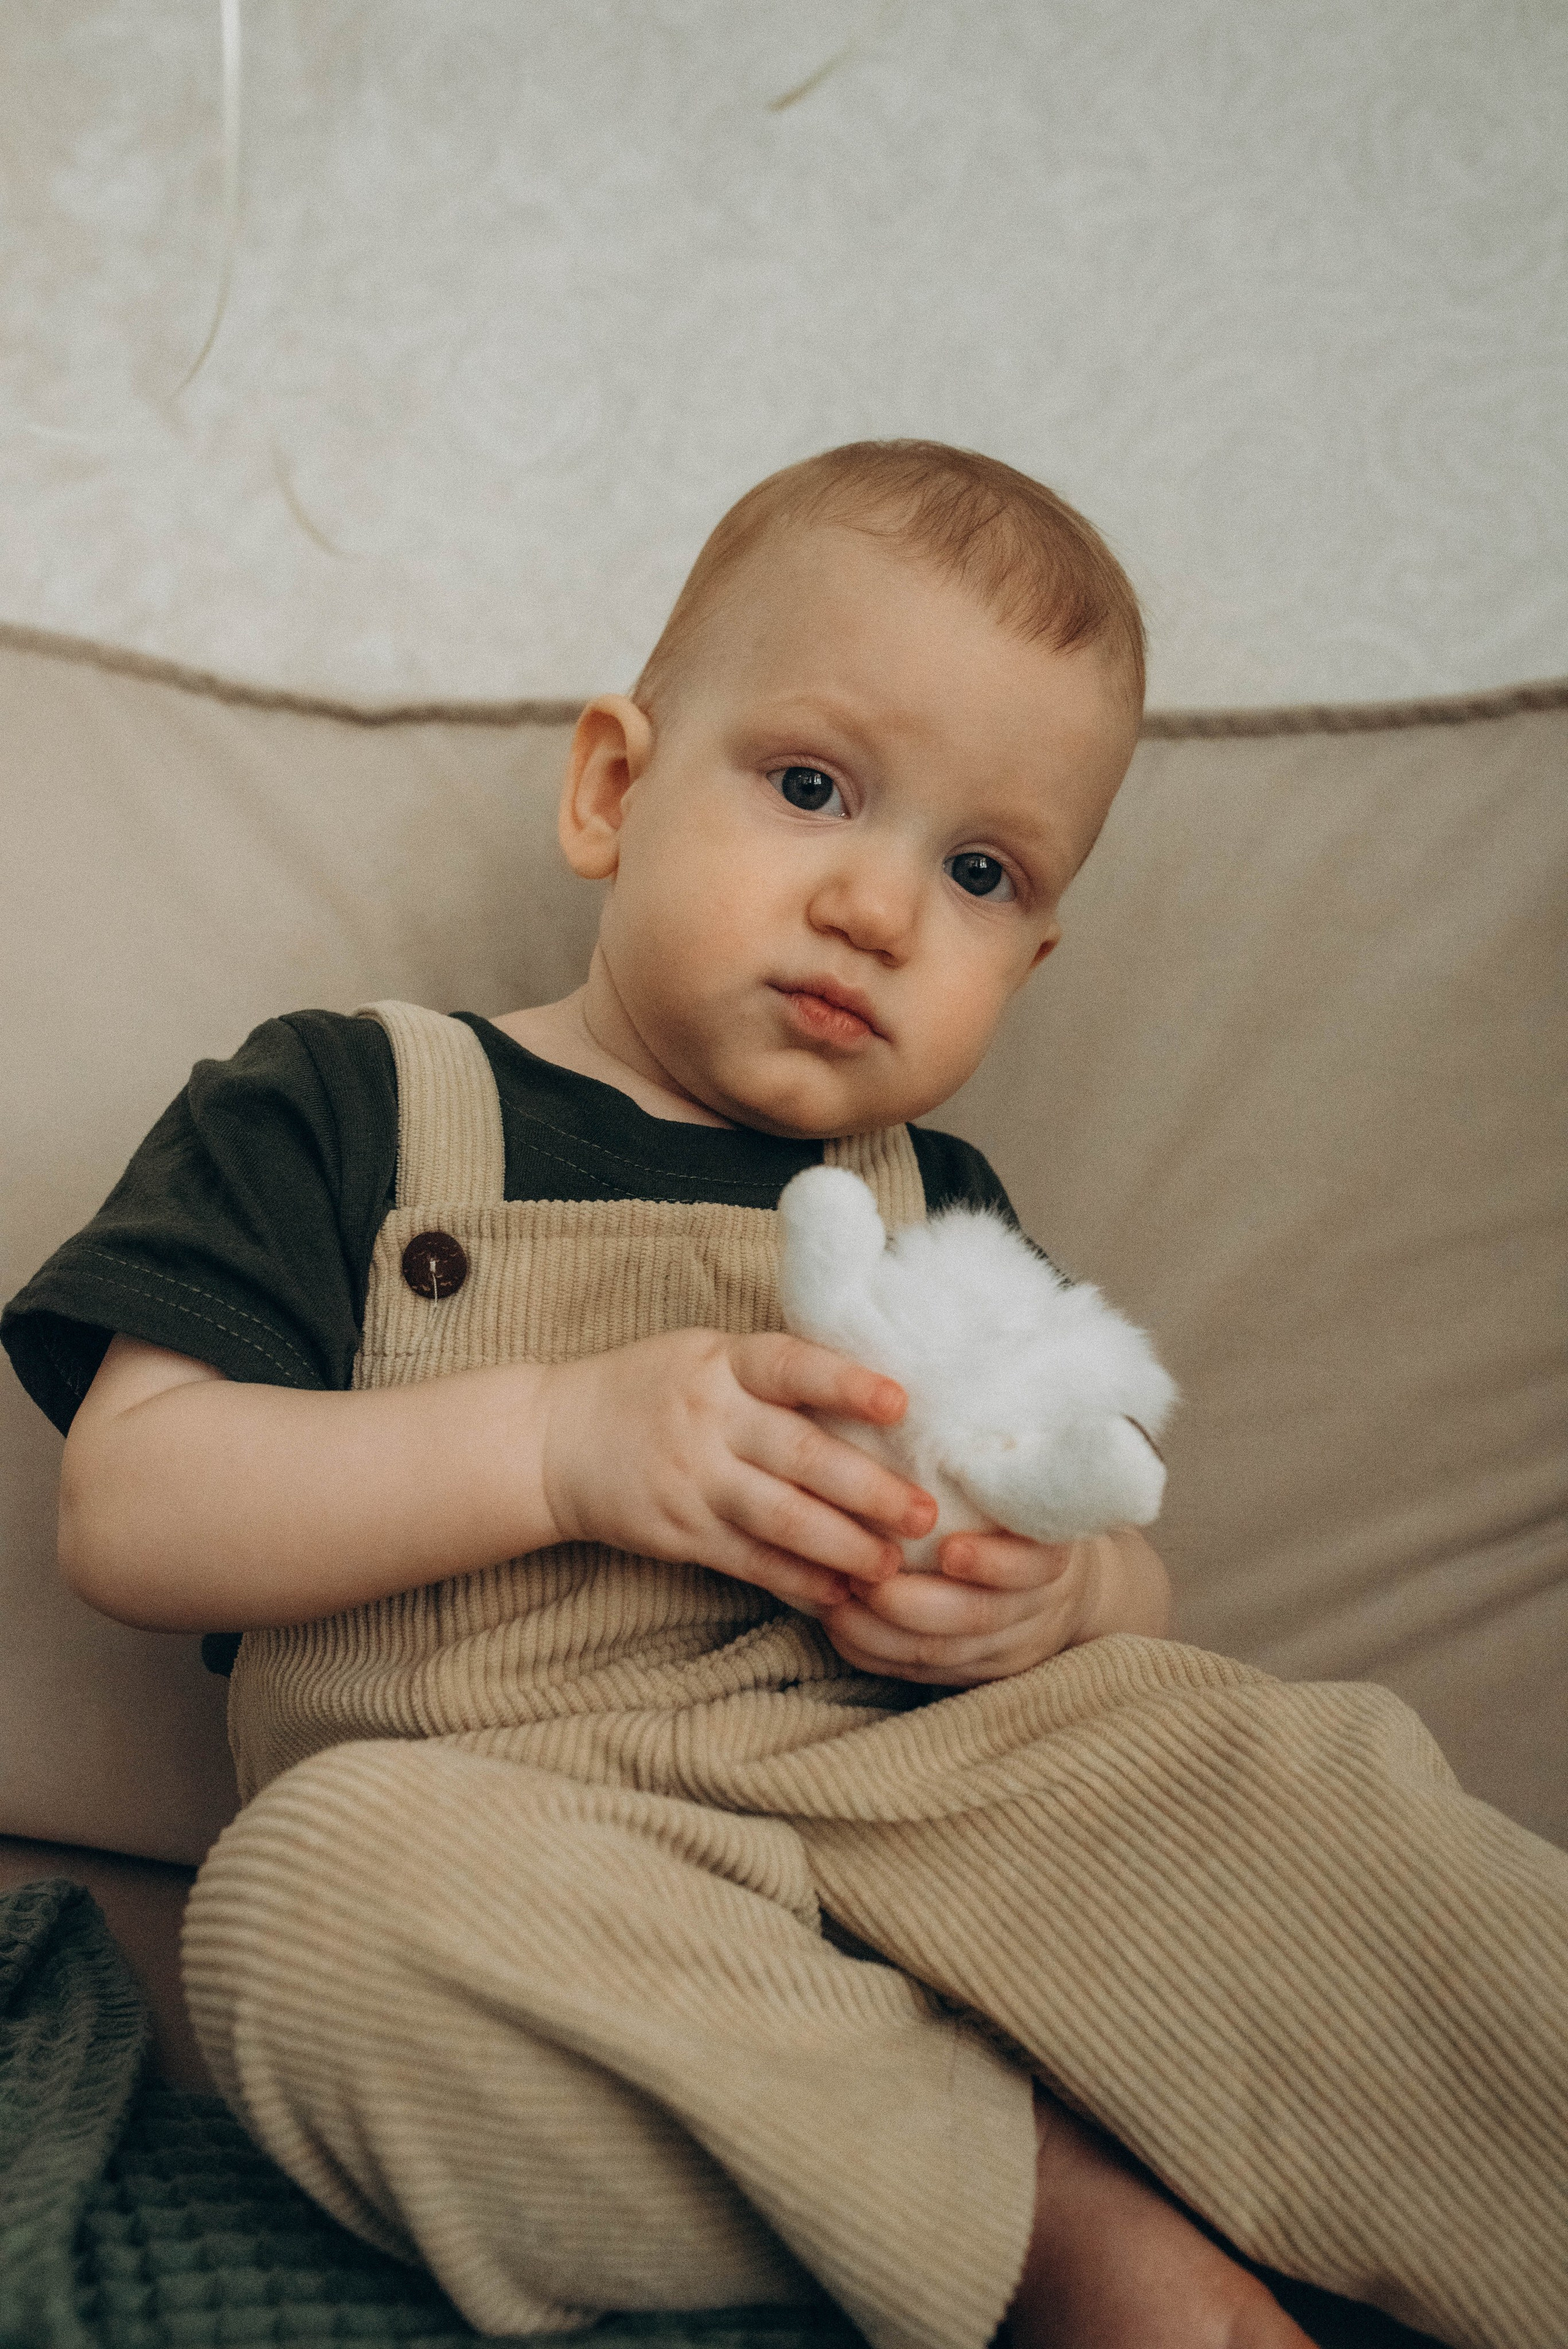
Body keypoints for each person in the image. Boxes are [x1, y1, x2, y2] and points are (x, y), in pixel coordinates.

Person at [4, 442, 1564, 2349]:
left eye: (980, 871)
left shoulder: (950, 1206)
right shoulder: (347, 1100)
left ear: (1034, 949)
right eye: (813, 787)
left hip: (932, 1810)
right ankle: (1047, 2216)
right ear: (613, 786)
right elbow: (133, 1506)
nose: (878, 906)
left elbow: (1120, 1553)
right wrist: (556, 1441)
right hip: (529, 1843)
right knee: (306, 1916)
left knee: (1300, 1779)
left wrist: (1061, 1602)